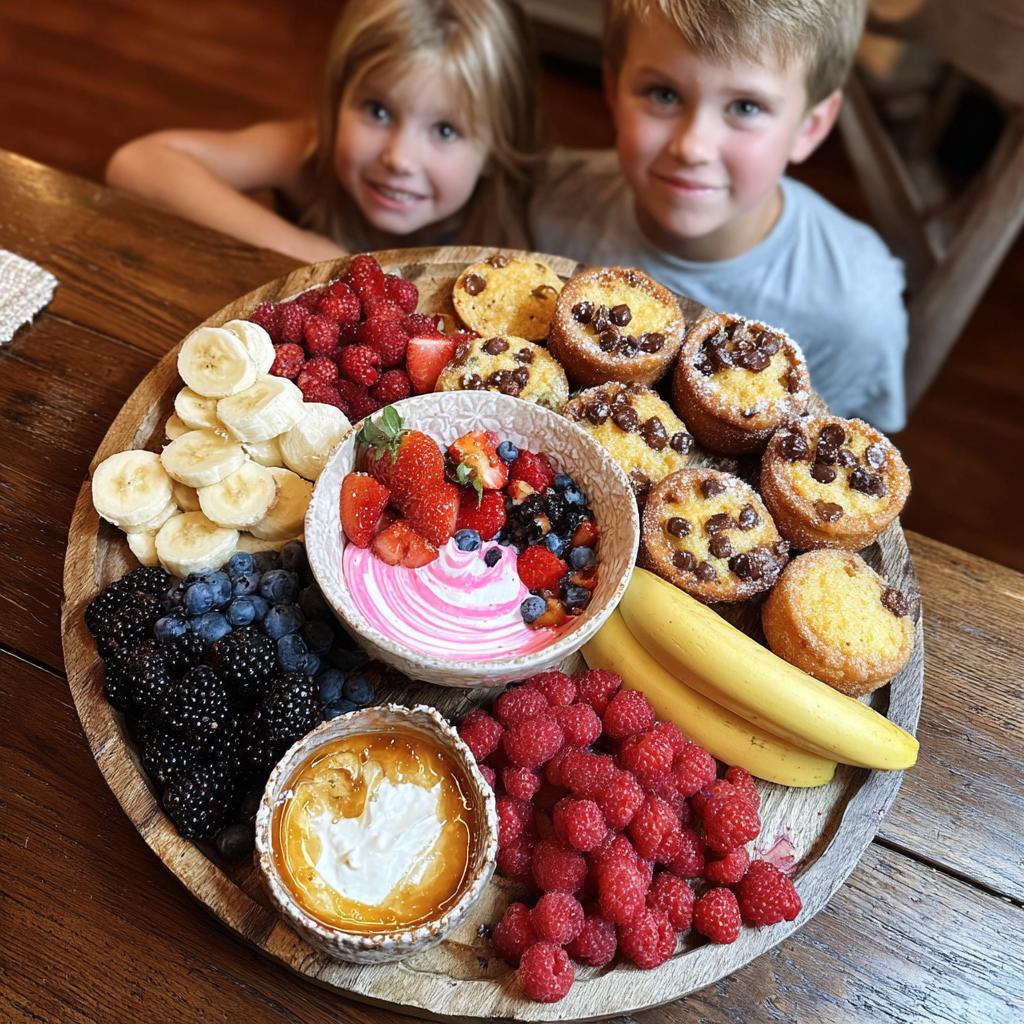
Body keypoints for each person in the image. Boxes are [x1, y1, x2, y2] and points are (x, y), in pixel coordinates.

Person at [530, 0, 909, 434]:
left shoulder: (855, 308)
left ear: (810, 127)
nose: (692, 146)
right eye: (664, 94)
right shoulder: (550, 204)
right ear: (613, 91)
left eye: (745, 107)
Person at [106, 0, 544, 263]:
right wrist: (313, 255)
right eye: (377, 110)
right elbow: (137, 163)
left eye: (446, 130)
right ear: (337, 100)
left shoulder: (516, 224)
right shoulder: (308, 152)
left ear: (496, 147)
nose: (399, 157)